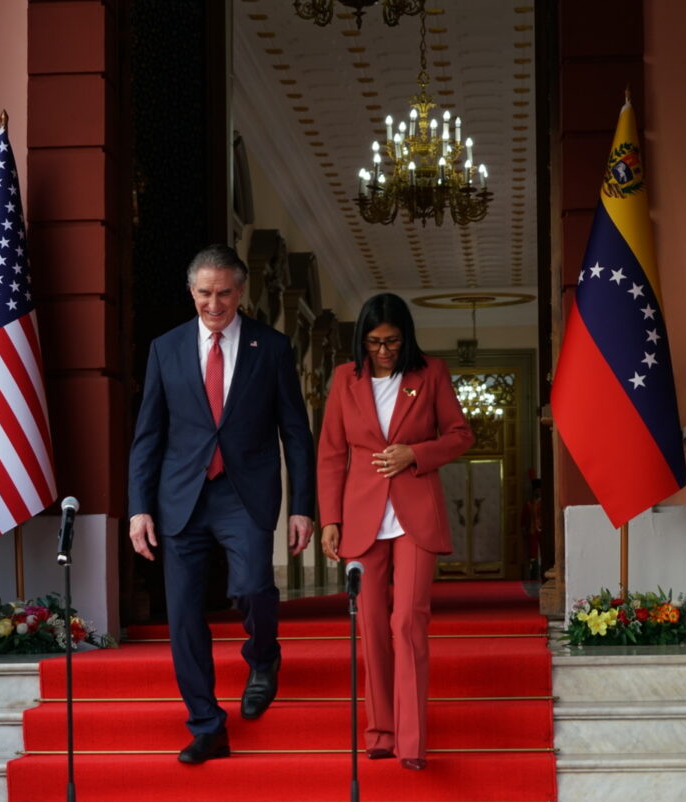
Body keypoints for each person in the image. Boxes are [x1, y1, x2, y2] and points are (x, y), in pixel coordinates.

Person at [128, 244, 316, 764]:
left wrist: (304, 505)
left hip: (244, 492)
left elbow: (296, 434)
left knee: (254, 585)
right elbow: (148, 436)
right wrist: (139, 508)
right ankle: (207, 725)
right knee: (185, 615)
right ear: (192, 292)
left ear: (241, 292)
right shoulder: (165, 349)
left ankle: (263, 657)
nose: (214, 304)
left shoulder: (271, 347)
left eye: (225, 294)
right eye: (205, 294)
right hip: (179, 497)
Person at [317, 292, 473, 771]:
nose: (383, 351)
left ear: (407, 338)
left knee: (407, 620)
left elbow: (460, 434)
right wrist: (330, 520)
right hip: (361, 518)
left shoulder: (431, 373)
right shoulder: (345, 379)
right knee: (372, 627)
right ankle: (380, 731)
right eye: (374, 343)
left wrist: (416, 453)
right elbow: (331, 453)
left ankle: (412, 740)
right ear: (361, 341)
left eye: (392, 342)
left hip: (414, 514)